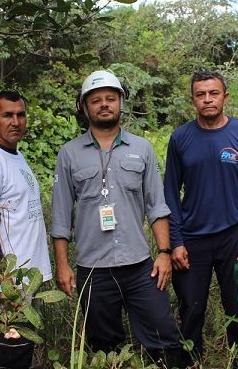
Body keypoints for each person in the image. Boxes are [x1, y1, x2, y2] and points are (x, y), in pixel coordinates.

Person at [50, 70, 187, 367]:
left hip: (140, 268)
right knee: (104, 348)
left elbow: (157, 206)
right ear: (84, 107)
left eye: (110, 98)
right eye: (96, 100)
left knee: (164, 336)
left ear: (121, 102)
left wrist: (163, 253)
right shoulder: (69, 154)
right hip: (93, 270)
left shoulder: (142, 149)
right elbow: (61, 216)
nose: (104, 105)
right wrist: (62, 264)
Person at [163, 70, 238, 366]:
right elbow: (170, 194)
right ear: (192, 99)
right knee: (191, 310)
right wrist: (176, 241)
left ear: (225, 96)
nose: (207, 99)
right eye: (200, 94)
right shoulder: (180, 138)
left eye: (213, 93)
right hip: (192, 239)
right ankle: (190, 362)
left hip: (235, 236)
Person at [0, 90, 52, 369]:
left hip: (26, 280)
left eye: (21, 114)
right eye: (7, 115)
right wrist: (6, 284)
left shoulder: (15, 156)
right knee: (11, 354)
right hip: (9, 285)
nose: (16, 121)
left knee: (23, 352)